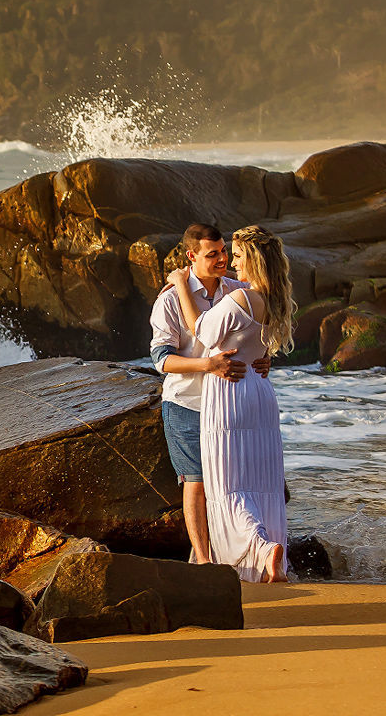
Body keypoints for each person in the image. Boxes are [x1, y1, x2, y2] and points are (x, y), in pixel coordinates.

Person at [168, 224, 292, 583]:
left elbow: (201, 332)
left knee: (228, 487)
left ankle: (261, 549)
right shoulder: (275, 299)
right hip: (259, 392)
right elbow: (260, 348)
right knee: (260, 483)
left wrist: (180, 283)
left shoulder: (240, 299)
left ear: (253, 259)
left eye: (237, 256)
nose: (232, 263)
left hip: (230, 395)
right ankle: (267, 555)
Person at [149, 223, 267, 565]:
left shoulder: (238, 289)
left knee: (232, 483)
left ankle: (239, 554)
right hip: (187, 404)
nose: (222, 259)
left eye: (224, 251)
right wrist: (208, 365)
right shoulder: (171, 299)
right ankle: (203, 561)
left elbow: (257, 330)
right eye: (212, 254)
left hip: (229, 404)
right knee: (197, 482)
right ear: (192, 255)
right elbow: (161, 360)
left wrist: (265, 356)